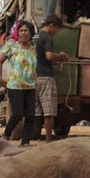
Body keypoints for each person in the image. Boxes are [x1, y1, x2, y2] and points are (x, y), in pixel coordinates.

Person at [0, 21, 37, 147]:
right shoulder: (12, 46)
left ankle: (25, 142)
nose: (23, 33)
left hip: (30, 86)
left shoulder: (33, 49)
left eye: (26, 31)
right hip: (15, 85)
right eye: (21, 30)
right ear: (18, 33)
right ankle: (6, 136)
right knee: (18, 113)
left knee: (30, 115)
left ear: (31, 34)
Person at [35, 15, 69, 143]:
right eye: (57, 29)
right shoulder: (47, 37)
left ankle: (29, 138)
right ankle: (48, 141)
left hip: (35, 77)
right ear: (52, 26)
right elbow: (49, 56)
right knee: (49, 112)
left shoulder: (36, 37)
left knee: (37, 112)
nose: (56, 32)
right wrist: (60, 56)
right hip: (46, 77)